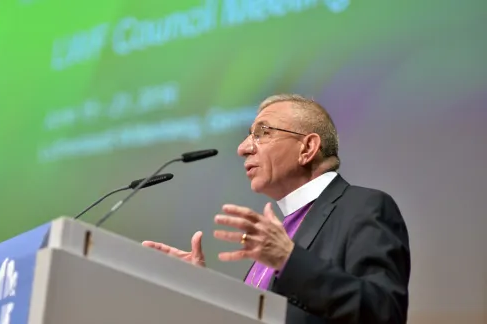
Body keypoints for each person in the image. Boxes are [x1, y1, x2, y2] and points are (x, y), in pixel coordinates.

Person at [142, 94, 411, 324]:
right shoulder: (282, 231)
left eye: (262, 133)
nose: (243, 148)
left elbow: (384, 312)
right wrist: (202, 289)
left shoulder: (363, 207)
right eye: (249, 136)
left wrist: (289, 260)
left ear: (307, 148)